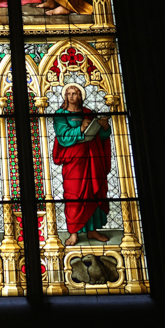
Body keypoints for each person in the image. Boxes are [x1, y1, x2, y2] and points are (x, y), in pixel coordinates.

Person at [52, 82, 111, 246]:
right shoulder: (60, 115)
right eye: (69, 93)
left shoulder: (88, 113)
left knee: (93, 193)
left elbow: (101, 137)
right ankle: (74, 233)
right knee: (74, 196)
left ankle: (92, 231)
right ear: (65, 96)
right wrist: (80, 130)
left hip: (91, 159)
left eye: (76, 93)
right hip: (74, 162)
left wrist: (104, 128)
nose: (72, 96)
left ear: (81, 96)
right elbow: (62, 136)